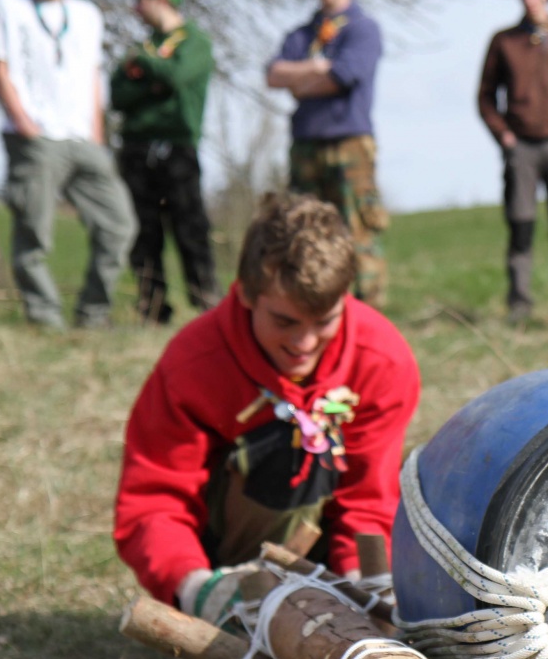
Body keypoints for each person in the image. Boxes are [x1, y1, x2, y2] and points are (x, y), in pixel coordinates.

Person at [113, 192, 420, 626]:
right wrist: (194, 585)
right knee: (296, 444)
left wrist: (368, 589)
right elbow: (154, 499)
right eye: (285, 322)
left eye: (325, 322)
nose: (305, 344)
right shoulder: (193, 364)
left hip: (329, 547)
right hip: (230, 559)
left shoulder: (382, 358)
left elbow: (369, 495)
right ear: (247, 294)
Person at [0, 0, 136, 329]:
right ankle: (45, 318)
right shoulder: (8, 6)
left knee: (119, 223)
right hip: (35, 137)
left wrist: (97, 132)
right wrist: (24, 122)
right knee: (35, 230)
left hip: (83, 137)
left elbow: (92, 75)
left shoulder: (86, 14)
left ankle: (94, 313)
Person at [267, 0, 389, 307]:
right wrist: (316, 68)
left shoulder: (363, 29)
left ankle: (367, 314)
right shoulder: (301, 35)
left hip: (350, 142)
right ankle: (317, 309)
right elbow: (272, 74)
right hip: (306, 143)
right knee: (305, 234)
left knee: (357, 232)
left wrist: (300, 81)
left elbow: (345, 75)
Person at [110, 0, 219, 324]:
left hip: (178, 149)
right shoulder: (142, 46)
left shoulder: (195, 42)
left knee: (190, 229)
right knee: (143, 232)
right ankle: (153, 308)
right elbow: (118, 95)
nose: (135, 9)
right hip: (136, 150)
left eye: (140, 1)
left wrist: (148, 70)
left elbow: (176, 77)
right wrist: (151, 81)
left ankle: (207, 306)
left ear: (160, 1)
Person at [478, 0, 548, 323]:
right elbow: (486, 96)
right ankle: (519, 304)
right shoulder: (505, 41)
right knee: (521, 223)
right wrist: (503, 134)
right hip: (522, 147)